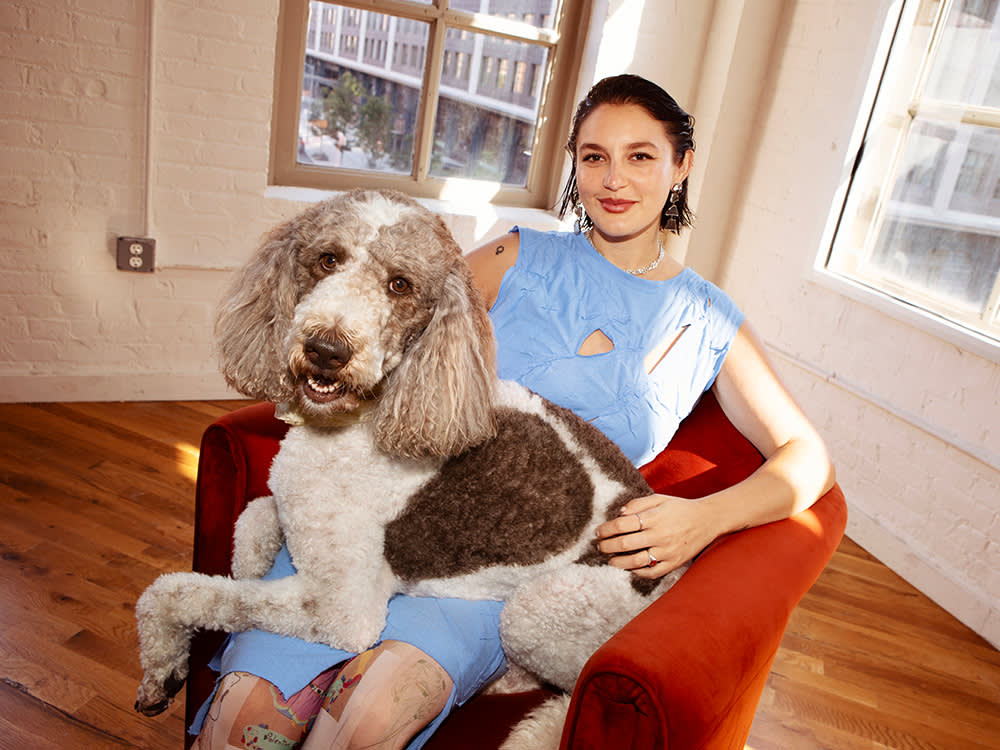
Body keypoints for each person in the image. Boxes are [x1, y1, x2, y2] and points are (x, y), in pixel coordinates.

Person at [190, 74, 835, 750]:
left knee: (366, 722)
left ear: (682, 166)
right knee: (243, 722)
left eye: (640, 156)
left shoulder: (710, 320)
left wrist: (706, 519)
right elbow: (383, 323)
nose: (614, 179)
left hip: (497, 565)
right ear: (575, 166)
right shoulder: (516, 255)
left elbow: (809, 456)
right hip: (375, 511)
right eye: (594, 156)